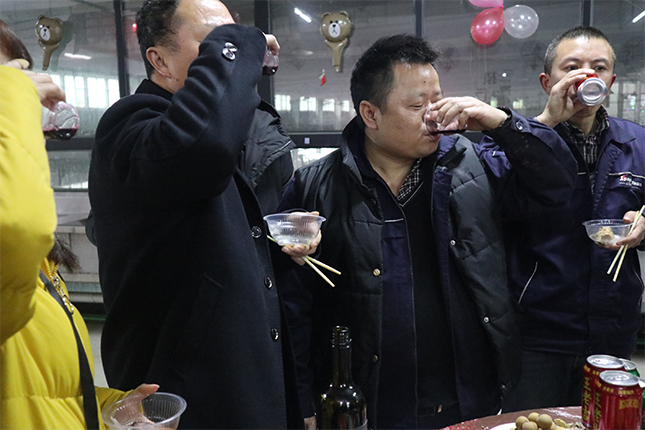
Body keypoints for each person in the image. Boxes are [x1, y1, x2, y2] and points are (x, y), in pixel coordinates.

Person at [277, 34, 578, 429]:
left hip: (468, 397)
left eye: (437, 101)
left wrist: (501, 124)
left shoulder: (471, 165)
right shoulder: (315, 187)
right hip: (366, 403)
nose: (434, 115)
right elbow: (292, 308)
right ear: (370, 114)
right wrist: (303, 402)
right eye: (418, 106)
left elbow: (556, 187)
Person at [88, 0, 309, 428]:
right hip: (181, 392)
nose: (233, 51)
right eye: (214, 41)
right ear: (160, 60)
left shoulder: (218, 133)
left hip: (239, 376)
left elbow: (206, 242)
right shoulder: (130, 124)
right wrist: (239, 43)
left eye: (232, 35)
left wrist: (277, 252)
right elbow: (202, 148)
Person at [0, 20, 157, 429]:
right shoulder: (17, 238)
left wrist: (108, 410)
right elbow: (17, 228)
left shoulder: (40, 263)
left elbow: (41, 393)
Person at [484, 26, 645, 412]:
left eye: (599, 68)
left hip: (614, 328)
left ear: (610, 82)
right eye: (572, 67)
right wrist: (544, 125)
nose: (586, 76)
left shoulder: (637, 142)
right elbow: (494, 203)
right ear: (547, 81)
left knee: (604, 421)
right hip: (538, 332)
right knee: (535, 421)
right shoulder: (515, 141)